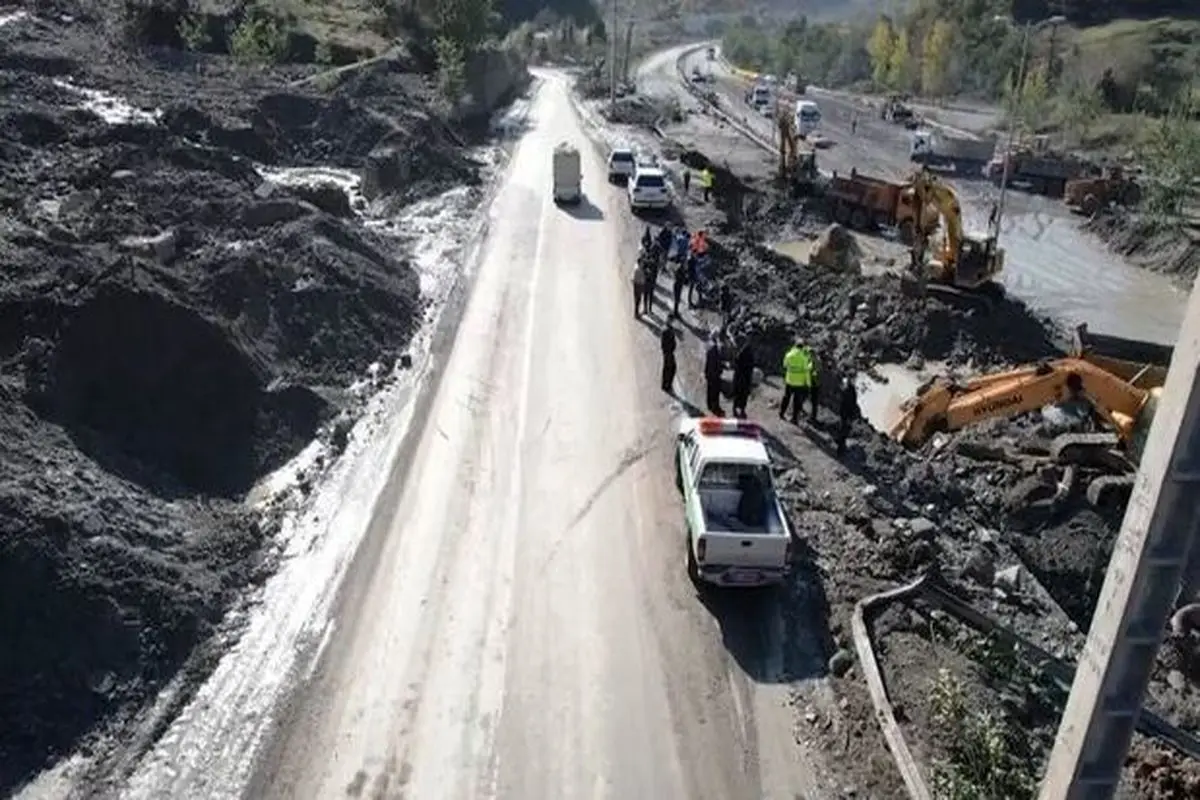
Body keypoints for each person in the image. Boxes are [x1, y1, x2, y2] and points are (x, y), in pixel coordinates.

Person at [779, 338, 812, 424]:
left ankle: (781, 413)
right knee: (797, 401)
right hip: (799, 383)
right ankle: (794, 419)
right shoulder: (804, 358)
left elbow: (785, 365)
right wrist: (808, 383)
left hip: (789, 380)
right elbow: (806, 371)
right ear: (803, 347)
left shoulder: (789, 355)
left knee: (786, 397)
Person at [836, 376, 860, 457]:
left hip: (844, 413)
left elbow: (842, 401)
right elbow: (852, 404)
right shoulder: (851, 391)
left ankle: (841, 446)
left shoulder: (845, 389)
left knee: (843, 429)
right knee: (845, 430)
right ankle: (841, 449)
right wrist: (852, 415)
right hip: (847, 414)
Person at [732, 338, 755, 418]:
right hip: (744, 378)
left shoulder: (741, 352)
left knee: (738, 395)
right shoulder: (749, 353)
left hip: (739, 378)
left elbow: (736, 361)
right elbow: (750, 367)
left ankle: (735, 409)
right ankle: (741, 410)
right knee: (743, 396)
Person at [704, 333, 725, 416]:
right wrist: (720, 368)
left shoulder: (709, 345)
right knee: (715, 392)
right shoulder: (714, 348)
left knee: (709, 390)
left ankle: (709, 405)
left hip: (709, 373)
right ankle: (715, 407)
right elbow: (715, 362)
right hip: (714, 374)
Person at [660, 323, 677, 393]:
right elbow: (671, 343)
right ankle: (668, 385)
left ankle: (664, 384)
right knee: (672, 368)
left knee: (666, 368)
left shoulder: (666, 330)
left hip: (667, 353)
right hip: (668, 353)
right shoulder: (668, 331)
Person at [642, 248, 658, 314]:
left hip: (651, 282)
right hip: (647, 281)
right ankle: (645, 309)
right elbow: (643, 269)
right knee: (646, 296)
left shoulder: (654, 264)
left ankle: (649, 309)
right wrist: (646, 272)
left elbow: (656, 273)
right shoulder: (646, 262)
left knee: (650, 296)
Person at [808, 347, 821, 423]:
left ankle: (813, 418)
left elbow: (816, 373)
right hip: (814, 383)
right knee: (813, 402)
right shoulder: (814, 361)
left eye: (810, 354)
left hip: (814, 384)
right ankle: (812, 417)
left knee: (814, 402)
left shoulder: (815, 361)